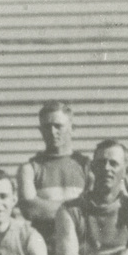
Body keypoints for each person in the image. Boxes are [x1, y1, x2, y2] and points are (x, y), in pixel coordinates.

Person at [17, 101, 90, 243]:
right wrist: (77, 209)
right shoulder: (29, 169)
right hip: (46, 247)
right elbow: (32, 210)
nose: (52, 132)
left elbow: (95, 209)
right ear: (40, 130)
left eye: (58, 126)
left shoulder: (86, 165)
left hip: (83, 246)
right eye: (47, 127)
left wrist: (47, 206)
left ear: (72, 128)